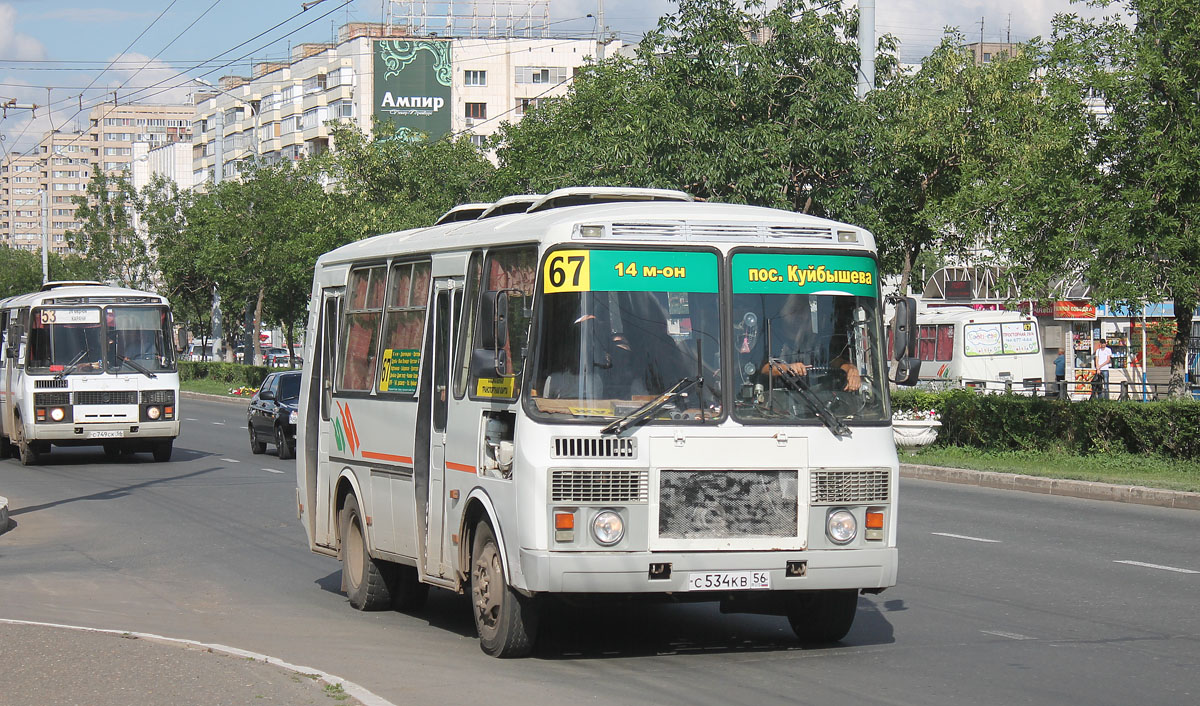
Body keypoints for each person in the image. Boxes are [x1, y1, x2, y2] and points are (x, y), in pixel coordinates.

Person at [760, 295, 861, 392]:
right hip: (777, 401)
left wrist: (850, 369)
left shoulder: (814, 340)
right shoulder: (770, 338)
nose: (799, 315)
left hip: (815, 401)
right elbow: (763, 369)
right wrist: (787, 368)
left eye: (803, 310)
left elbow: (833, 361)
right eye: (794, 309)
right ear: (782, 312)